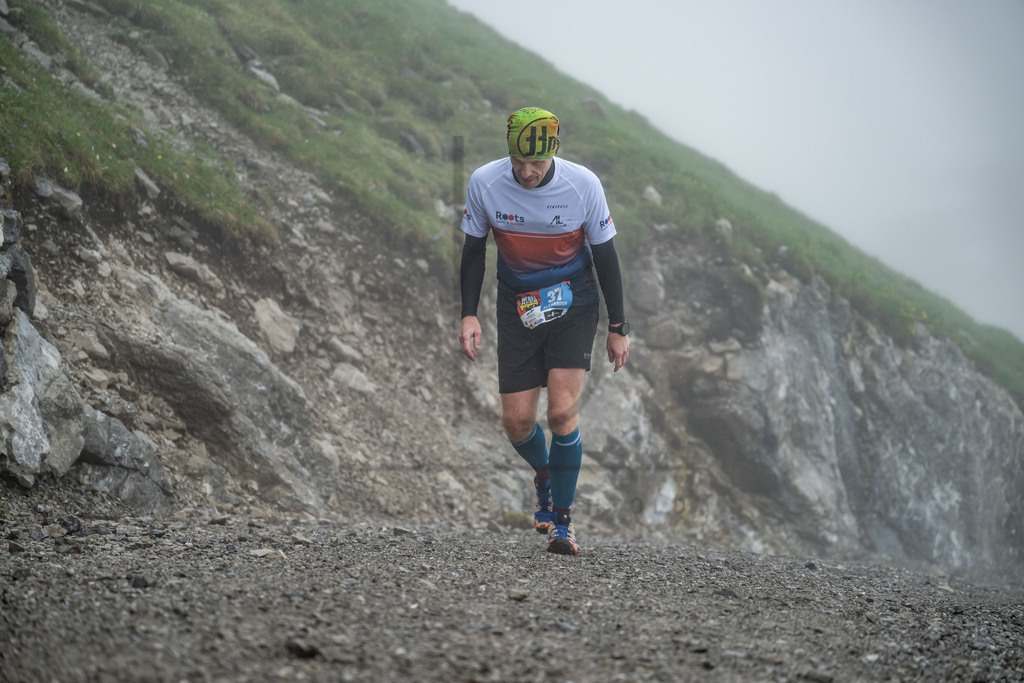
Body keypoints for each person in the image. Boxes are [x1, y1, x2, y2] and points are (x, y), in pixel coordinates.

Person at [458, 106, 630, 555]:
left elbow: (607, 258)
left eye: (535, 163)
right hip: (518, 305)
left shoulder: (583, 185)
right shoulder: (485, 182)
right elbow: (474, 251)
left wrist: (618, 327)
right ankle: (546, 475)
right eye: (518, 162)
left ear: (554, 153)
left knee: (560, 414)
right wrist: (468, 314)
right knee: (516, 422)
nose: (526, 172)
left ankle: (563, 523)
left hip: (575, 300)